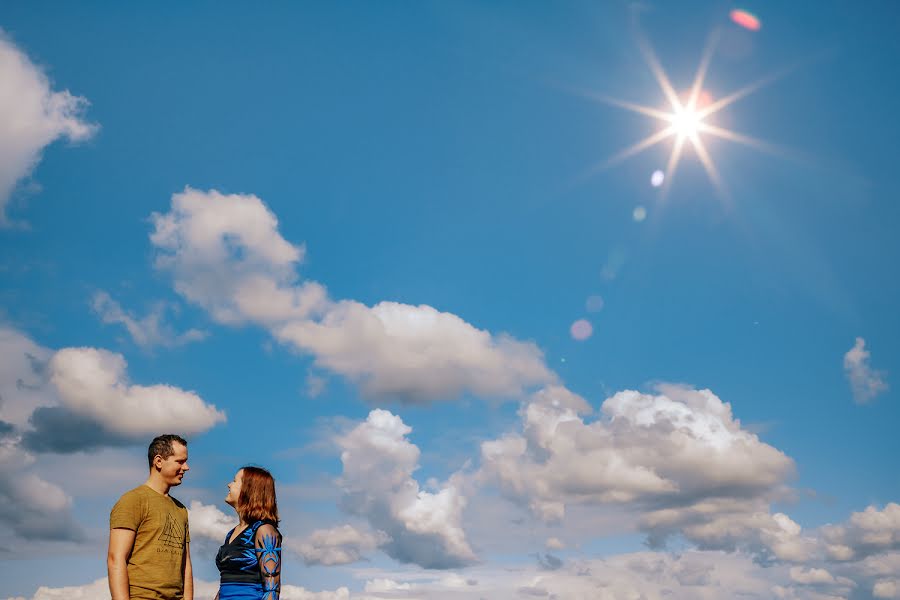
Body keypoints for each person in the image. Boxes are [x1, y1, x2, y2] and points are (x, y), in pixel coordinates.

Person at [108, 434, 193, 600]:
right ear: (159, 461)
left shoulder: (181, 509)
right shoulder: (133, 500)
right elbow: (115, 559)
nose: (186, 467)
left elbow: (186, 565)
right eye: (180, 461)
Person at [215, 466, 282, 600]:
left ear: (249, 489)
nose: (229, 484)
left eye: (234, 481)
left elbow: (272, 590)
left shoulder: (264, 530)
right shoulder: (231, 533)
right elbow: (226, 584)